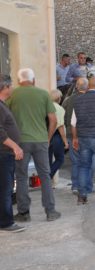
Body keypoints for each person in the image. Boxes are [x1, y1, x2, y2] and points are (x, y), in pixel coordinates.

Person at [7, 68, 61, 222]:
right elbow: (53, 120)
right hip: (41, 141)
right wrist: (48, 137)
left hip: (20, 142)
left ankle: (24, 213)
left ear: (18, 81)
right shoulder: (43, 94)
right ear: (34, 80)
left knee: (22, 177)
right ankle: (50, 211)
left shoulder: (13, 95)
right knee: (45, 175)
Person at [0, 74, 25, 232]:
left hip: (4, 153)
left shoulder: (3, 105)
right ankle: (6, 222)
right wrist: (15, 147)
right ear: (5, 88)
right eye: (11, 86)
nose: (13, 88)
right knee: (6, 188)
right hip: (3, 154)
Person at [62, 78, 95, 195]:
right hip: (88, 135)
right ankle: (88, 186)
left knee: (76, 162)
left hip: (72, 134)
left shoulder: (68, 100)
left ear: (76, 87)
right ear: (87, 87)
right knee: (89, 161)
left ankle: (75, 186)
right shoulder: (91, 99)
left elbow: (64, 116)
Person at [48, 89, 68, 182]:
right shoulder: (60, 109)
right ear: (59, 98)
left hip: (44, 136)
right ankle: (48, 176)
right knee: (60, 159)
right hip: (56, 136)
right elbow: (60, 126)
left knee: (47, 161)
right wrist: (65, 142)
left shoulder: (45, 107)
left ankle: (46, 178)